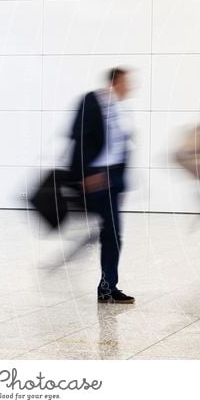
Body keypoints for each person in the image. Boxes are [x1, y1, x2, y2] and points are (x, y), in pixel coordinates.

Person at [69, 67, 135, 304]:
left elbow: (122, 146)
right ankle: (107, 287)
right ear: (116, 81)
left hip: (113, 178)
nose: (131, 87)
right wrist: (85, 174)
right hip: (96, 175)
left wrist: (123, 185)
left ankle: (107, 286)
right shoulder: (93, 101)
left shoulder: (120, 109)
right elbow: (78, 136)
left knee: (111, 232)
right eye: (127, 82)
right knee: (111, 233)